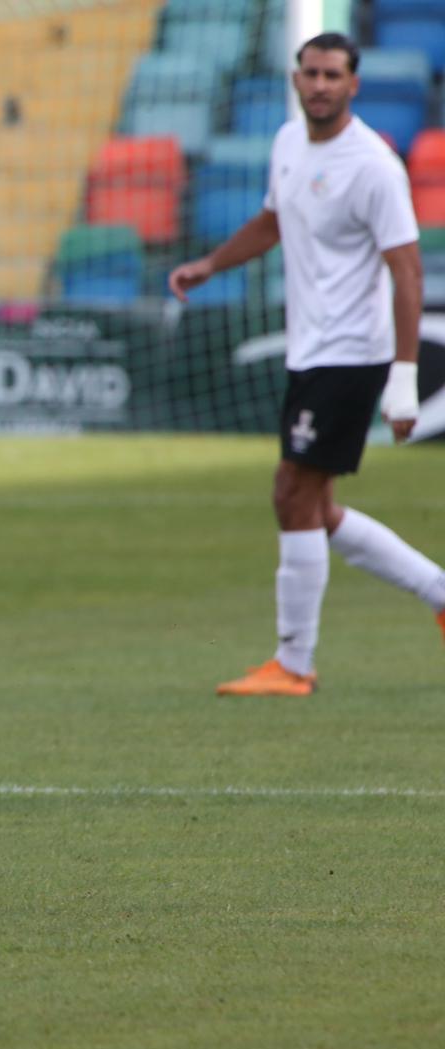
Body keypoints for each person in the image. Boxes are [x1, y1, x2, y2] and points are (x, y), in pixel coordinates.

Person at [168, 32, 445, 696]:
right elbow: (274, 218)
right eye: (311, 72)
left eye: (333, 75)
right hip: (310, 349)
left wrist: (404, 381)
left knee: (292, 492)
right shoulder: (290, 144)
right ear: (296, 78)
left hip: (354, 355)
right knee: (315, 506)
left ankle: (294, 663)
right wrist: (211, 264)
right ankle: (439, 593)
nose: (320, 84)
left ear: (353, 84)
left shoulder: (373, 165)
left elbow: (406, 273)